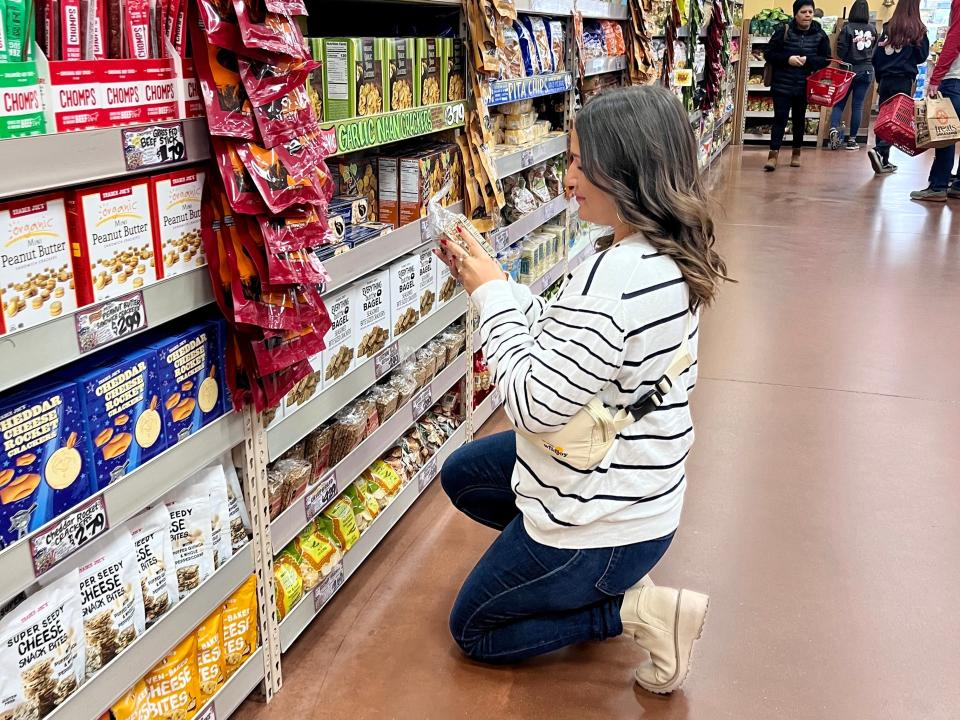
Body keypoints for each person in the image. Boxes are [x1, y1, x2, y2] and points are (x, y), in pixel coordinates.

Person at [433, 85, 729, 694]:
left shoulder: (618, 274)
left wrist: (490, 298)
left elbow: (533, 405)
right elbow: (571, 337)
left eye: (576, 161)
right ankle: (589, 573)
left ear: (625, 168)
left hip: (607, 511)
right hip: (644, 481)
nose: (567, 177)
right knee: (465, 473)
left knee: (474, 628)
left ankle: (629, 609)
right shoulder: (662, 248)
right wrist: (498, 285)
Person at [762, 0, 832, 171]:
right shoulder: (783, 31)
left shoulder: (820, 34)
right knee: (780, 119)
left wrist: (809, 61)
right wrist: (788, 59)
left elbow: (826, 59)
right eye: (803, 12)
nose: (807, 15)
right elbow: (769, 54)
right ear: (795, 14)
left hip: (805, 85)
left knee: (799, 120)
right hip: (782, 84)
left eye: (810, 12)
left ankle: (796, 153)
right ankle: (773, 155)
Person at [868, 0, 929, 174]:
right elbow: (922, 56)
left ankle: (883, 158)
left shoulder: (888, 27)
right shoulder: (918, 29)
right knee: (897, 119)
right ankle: (880, 151)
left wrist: (880, 77)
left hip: (885, 79)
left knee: (884, 117)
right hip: (903, 80)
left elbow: (876, 56)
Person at [909, 0, 960, 201]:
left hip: (956, 78)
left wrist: (936, 77)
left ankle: (938, 186)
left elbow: (955, 38)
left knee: (944, 131)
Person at [827, 0, 877, 150]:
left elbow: (841, 51)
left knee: (839, 102)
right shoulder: (873, 29)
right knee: (858, 106)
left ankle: (834, 129)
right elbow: (874, 50)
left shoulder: (847, 28)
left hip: (848, 70)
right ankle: (852, 140)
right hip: (867, 70)